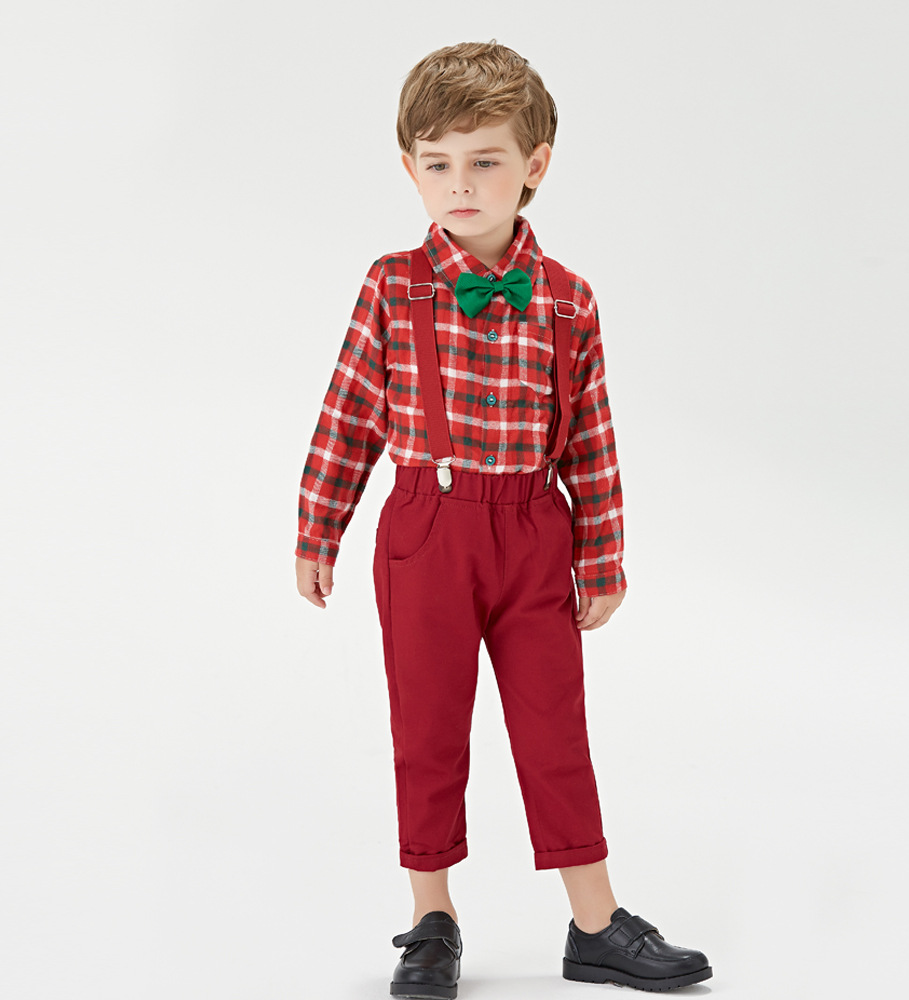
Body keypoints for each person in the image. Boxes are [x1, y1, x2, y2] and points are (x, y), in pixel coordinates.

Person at [294, 39, 712, 999]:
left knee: (555, 730)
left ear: (535, 166)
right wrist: (318, 531)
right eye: (437, 163)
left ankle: (596, 925)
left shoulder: (568, 300)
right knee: (428, 730)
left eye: (484, 160)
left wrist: (602, 559)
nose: (460, 184)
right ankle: (430, 922)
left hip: (532, 530)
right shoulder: (392, 285)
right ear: (410, 169)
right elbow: (347, 417)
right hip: (426, 529)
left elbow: (591, 440)